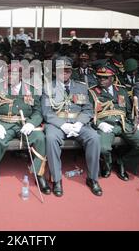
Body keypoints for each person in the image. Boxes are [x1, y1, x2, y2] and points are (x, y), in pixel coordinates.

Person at [0, 62, 51, 198]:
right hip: (4, 123)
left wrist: (31, 123)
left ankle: (39, 174)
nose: (9, 76)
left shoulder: (31, 89)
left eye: (13, 73)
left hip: (24, 124)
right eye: (7, 73)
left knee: (40, 138)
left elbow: (37, 111)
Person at [41, 57, 102, 196]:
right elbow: (47, 112)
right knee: (50, 138)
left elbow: (87, 109)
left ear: (71, 71)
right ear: (56, 72)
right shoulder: (48, 87)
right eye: (62, 71)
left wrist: (80, 123)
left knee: (94, 137)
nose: (65, 73)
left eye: (68, 71)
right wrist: (63, 125)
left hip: (78, 123)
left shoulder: (81, 87)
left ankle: (93, 178)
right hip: (57, 123)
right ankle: (56, 179)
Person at [88, 62, 139, 181]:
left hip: (123, 124)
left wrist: (136, 123)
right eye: (99, 77)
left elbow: (128, 111)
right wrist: (99, 124)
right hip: (106, 124)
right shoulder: (92, 92)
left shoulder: (122, 90)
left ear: (112, 78)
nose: (101, 80)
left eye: (105, 77)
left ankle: (122, 162)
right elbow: (88, 113)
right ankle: (107, 165)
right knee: (103, 148)